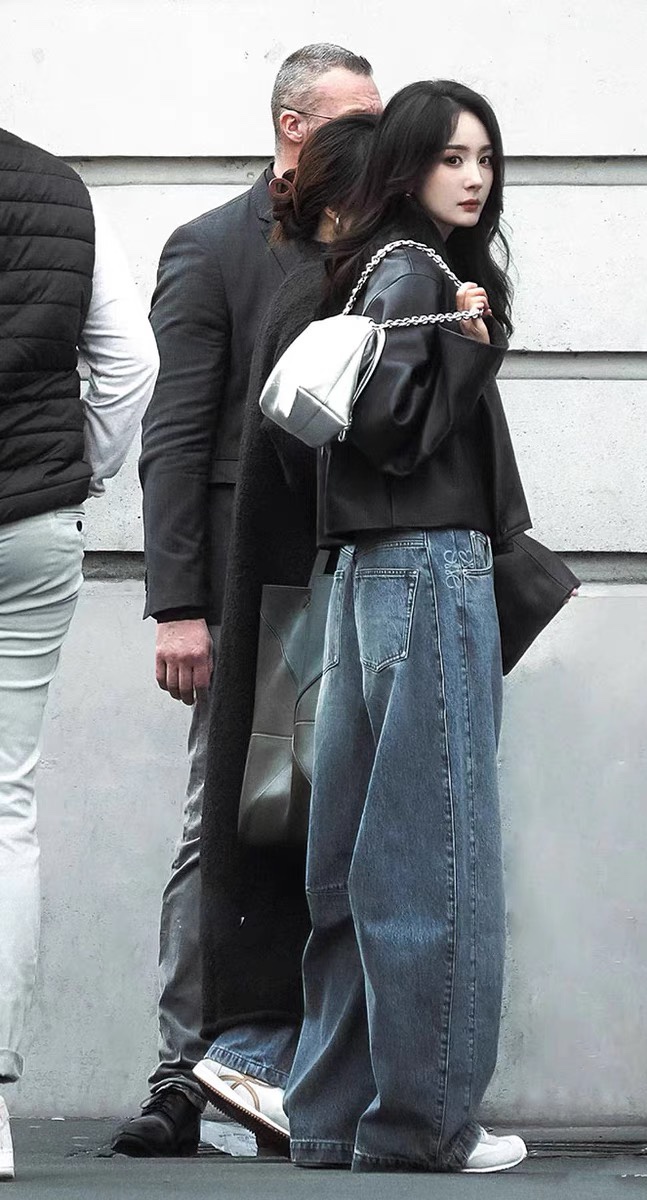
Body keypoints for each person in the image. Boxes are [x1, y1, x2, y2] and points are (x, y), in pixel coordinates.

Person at [112, 46, 381, 1157]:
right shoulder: (215, 245)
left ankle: (304, 1074)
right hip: (247, 590)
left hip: (359, 578)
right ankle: (186, 1070)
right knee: (222, 824)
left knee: (338, 829)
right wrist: (179, 605)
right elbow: (175, 434)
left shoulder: (381, 245)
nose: (376, 140)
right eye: (354, 120)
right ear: (291, 127)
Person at [277, 80, 533, 1173]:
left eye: (485, 158)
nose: (474, 177)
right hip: (426, 568)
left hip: (368, 574)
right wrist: (471, 343)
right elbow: (394, 431)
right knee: (436, 852)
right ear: (408, 166)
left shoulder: (373, 269)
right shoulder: (420, 274)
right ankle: (427, 1124)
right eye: (450, 158)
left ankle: (333, 1119)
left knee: (352, 859)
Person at [190, 112, 378, 1142]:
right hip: (307, 601)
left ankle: (268, 1062)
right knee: (295, 827)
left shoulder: (307, 285)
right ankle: (258, 1060)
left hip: (288, 599)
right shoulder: (324, 296)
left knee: (286, 819)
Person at [0, 126, 159, 1182]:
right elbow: (131, 366)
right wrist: (75, 474)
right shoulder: (57, 188)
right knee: (3, 805)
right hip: (29, 531)